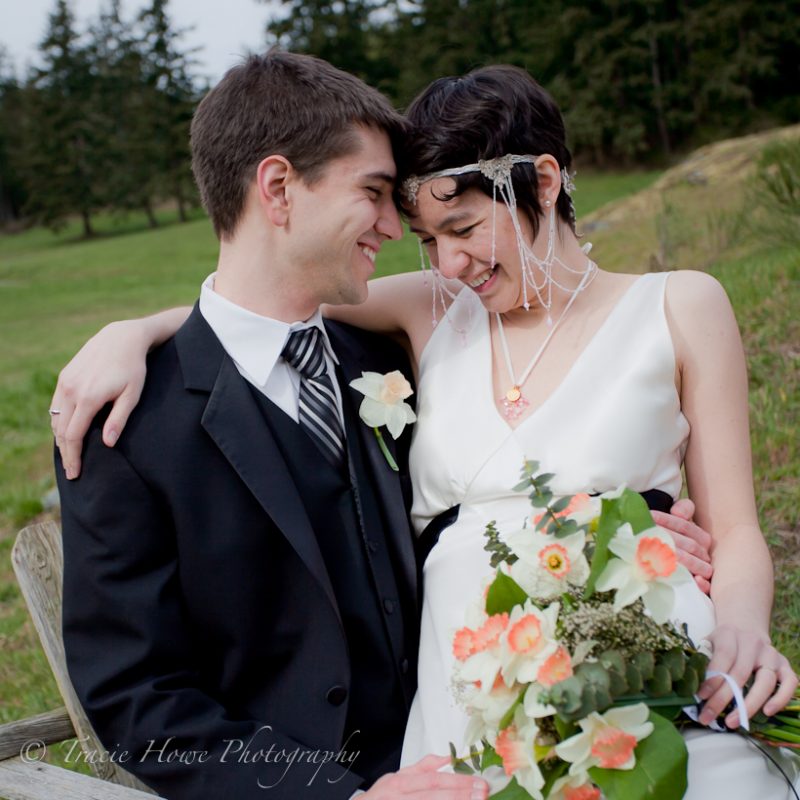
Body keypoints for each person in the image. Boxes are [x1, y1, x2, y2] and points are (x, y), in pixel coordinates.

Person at [51, 64, 797, 795]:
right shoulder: (431, 312)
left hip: (642, 660)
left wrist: (737, 624)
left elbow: (735, 528)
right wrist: (135, 330)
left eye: (464, 227)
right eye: (425, 237)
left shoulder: (680, 306)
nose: (449, 261)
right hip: (463, 698)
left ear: (543, 183)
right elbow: (255, 306)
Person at [52, 51, 490, 800]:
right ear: (279, 189)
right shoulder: (128, 424)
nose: (394, 224)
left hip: (465, 746)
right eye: (375, 193)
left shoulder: (388, 356)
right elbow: (139, 699)